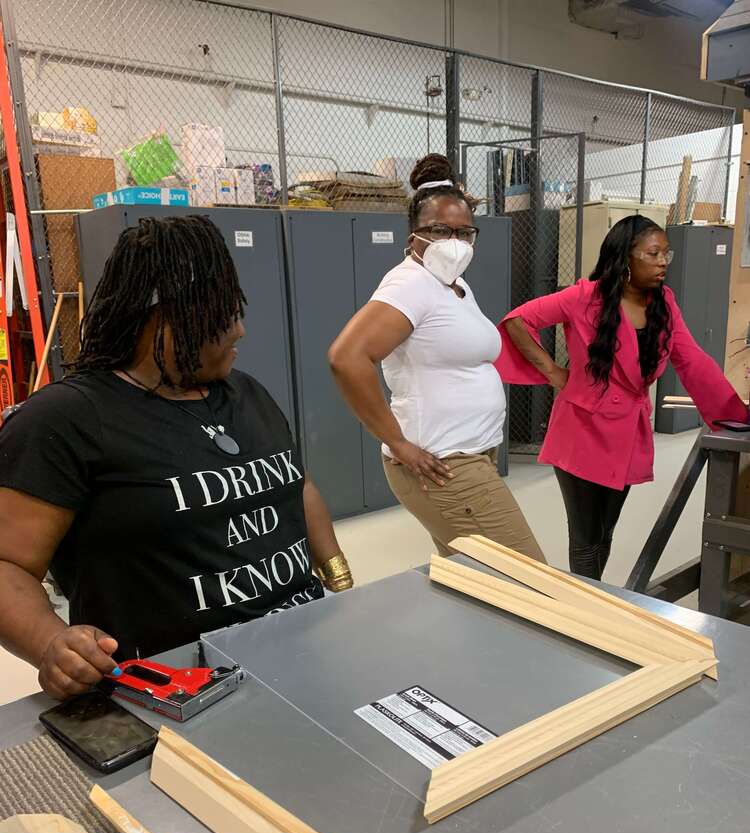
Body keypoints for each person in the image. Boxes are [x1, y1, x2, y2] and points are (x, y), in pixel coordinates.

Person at [0, 215, 352, 701]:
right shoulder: (67, 420)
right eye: (223, 316)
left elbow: (297, 483)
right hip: (181, 688)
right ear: (163, 318)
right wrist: (50, 643)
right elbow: (7, 564)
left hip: (302, 647)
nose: (241, 330)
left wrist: (339, 576)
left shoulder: (245, 392)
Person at [499, 213, 749, 580]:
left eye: (667, 253)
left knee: (606, 531)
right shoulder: (584, 297)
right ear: (625, 257)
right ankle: (589, 607)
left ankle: (596, 598)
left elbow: (691, 359)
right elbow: (517, 321)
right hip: (581, 429)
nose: (663, 261)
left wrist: (736, 417)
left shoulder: (663, 301)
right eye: (652, 253)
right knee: (585, 536)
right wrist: (553, 373)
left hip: (628, 432)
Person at [328, 154, 543, 561]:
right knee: (529, 578)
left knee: (474, 580)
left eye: (465, 233)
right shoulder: (410, 284)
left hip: (473, 454)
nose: (455, 243)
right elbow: (347, 357)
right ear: (414, 235)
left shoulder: (455, 285)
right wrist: (397, 442)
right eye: (441, 230)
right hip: (444, 464)